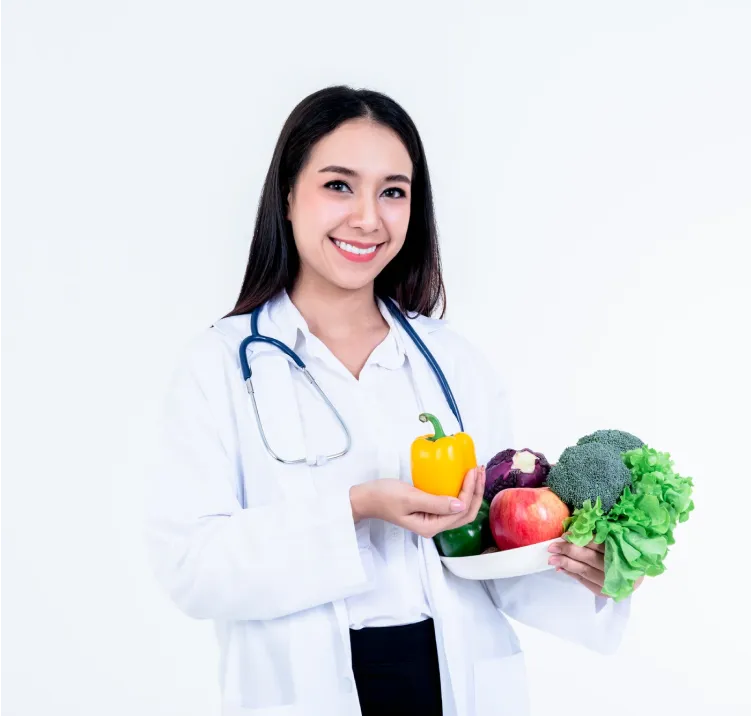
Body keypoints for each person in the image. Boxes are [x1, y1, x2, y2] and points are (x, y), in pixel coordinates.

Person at [144, 85, 634, 716]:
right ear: (287, 194)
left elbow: (491, 547)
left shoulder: (452, 362)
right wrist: (356, 508)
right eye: (339, 185)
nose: (368, 218)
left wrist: (588, 570)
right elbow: (191, 566)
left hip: (451, 680)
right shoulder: (217, 364)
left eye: (393, 192)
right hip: (310, 686)